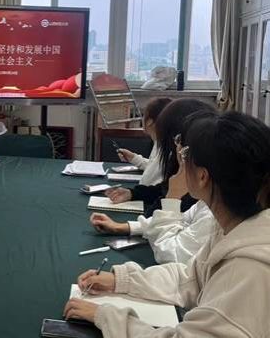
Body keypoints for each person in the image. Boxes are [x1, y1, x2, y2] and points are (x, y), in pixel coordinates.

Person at [63, 111, 270, 337]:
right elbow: (190, 279)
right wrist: (122, 281)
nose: (180, 162)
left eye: (185, 155)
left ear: (203, 176)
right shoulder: (232, 226)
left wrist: (107, 317)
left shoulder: (247, 269)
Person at [90, 113, 215, 264]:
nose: (180, 169)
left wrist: (173, 197)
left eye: (183, 159)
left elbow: (168, 254)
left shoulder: (212, 216)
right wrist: (123, 227)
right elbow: (183, 220)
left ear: (202, 175)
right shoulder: (205, 203)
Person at [105, 98, 216, 217]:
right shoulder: (186, 165)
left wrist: (173, 195)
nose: (177, 148)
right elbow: (163, 190)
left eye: (177, 141)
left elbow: (156, 220)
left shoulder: (200, 195)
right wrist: (133, 193)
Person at [116, 97, 172, 186]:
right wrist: (134, 158)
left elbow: (147, 181)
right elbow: (154, 168)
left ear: (149, 121)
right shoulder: (160, 141)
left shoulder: (165, 147)